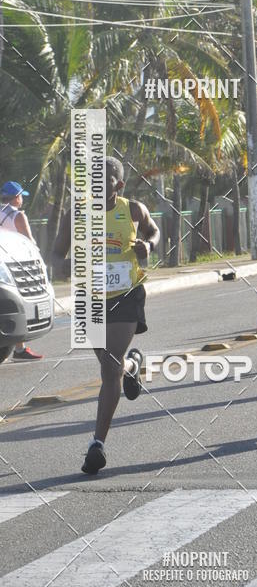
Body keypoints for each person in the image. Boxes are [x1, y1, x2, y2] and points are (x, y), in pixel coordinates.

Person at [53, 157, 160, 474]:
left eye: (105, 179)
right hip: (90, 300)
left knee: (108, 370)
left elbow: (153, 232)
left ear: (119, 185)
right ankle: (133, 366)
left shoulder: (133, 209)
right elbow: (57, 253)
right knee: (111, 366)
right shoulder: (77, 215)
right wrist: (63, 265)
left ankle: (96, 445)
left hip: (127, 295)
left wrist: (147, 247)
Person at [0, 181, 43, 360]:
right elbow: (28, 241)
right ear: (16, 197)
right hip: (17, 265)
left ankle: (19, 348)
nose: (22, 201)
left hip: (3, 265)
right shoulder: (17, 215)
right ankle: (19, 348)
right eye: (20, 197)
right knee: (21, 304)